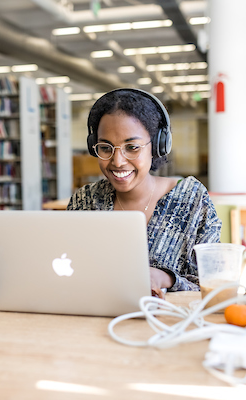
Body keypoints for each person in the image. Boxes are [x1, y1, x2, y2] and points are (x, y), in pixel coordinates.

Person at [67, 88, 221, 298]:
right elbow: (68, 271)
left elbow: (214, 283)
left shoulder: (191, 200)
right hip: (94, 319)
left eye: (132, 147)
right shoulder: (84, 201)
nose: (118, 161)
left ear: (157, 146)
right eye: (105, 148)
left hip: (170, 324)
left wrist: (166, 278)